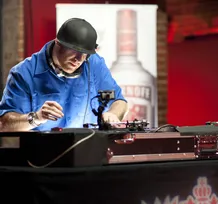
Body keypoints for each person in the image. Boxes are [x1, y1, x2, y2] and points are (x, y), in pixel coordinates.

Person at [0, 18, 128, 131]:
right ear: (58, 43)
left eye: (85, 54)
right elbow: (4, 124)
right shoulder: (24, 73)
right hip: (42, 154)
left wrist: (113, 114)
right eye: (75, 51)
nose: (79, 59)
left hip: (88, 151)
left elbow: (119, 102)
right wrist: (37, 117)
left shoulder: (93, 63)